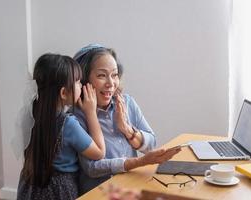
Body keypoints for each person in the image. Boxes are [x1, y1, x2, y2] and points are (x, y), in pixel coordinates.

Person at [73, 44, 181, 194]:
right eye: (101, 75)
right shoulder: (77, 117)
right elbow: (91, 167)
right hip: (99, 193)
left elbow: (151, 145)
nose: (111, 83)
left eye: (115, 74)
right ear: (84, 80)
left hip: (132, 187)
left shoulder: (127, 102)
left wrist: (126, 129)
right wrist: (139, 162)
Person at [16, 53, 106, 200]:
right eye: (77, 82)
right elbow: (99, 152)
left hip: (30, 187)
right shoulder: (68, 124)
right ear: (64, 92)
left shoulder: (29, 115)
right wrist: (91, 113)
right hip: (59, 190)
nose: (82, 85)